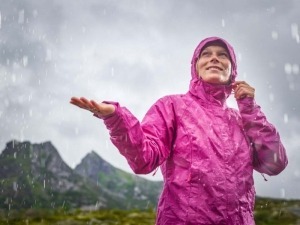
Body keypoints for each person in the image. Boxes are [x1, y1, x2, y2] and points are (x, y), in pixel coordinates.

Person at [70, 37, 288, 225]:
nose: (214, 58)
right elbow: (143, 159)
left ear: (233, 71)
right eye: (206, 54)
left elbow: (275, 163)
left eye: (223, 55)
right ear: (196, 66)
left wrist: (250, 108)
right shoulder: (172, 107)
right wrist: (116, 118)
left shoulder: (243, 120)